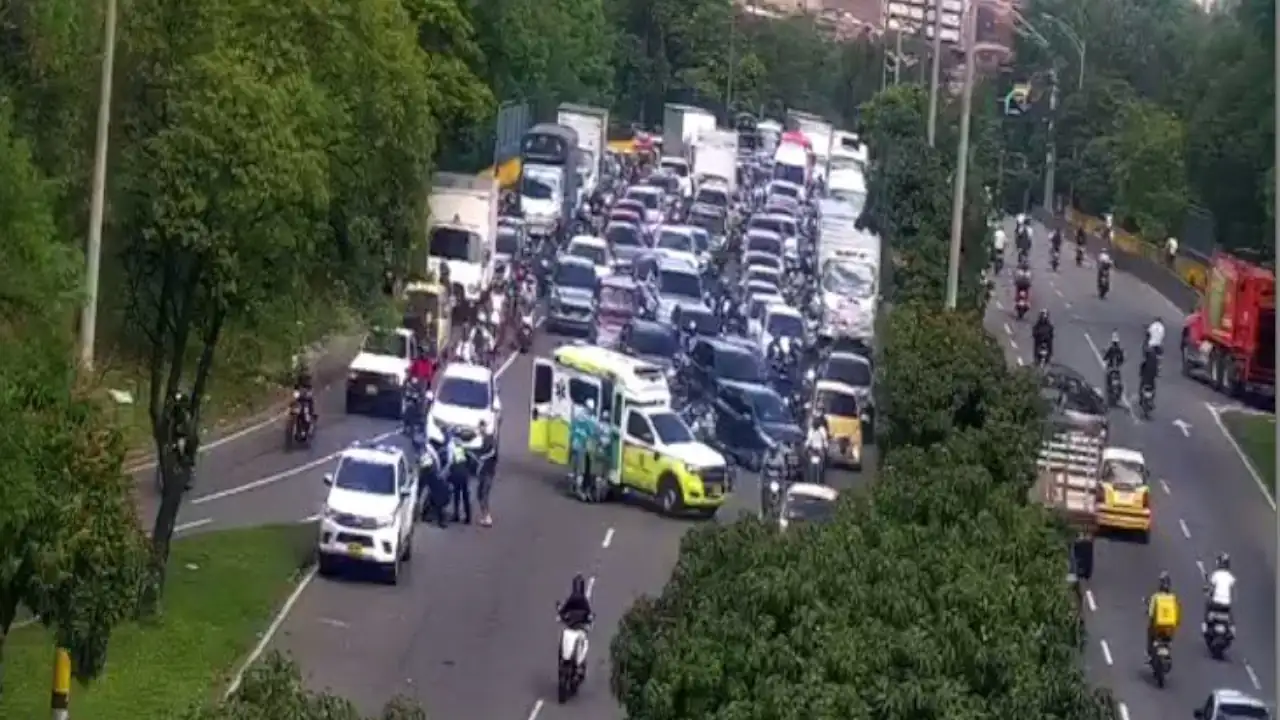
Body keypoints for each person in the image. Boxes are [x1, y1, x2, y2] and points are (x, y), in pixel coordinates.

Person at [558, 574, 594, 672]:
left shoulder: (572, 599)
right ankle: (578, 666)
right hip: (579, 629)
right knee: (583, 644)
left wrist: (561, 615)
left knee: (581, 645)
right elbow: (589, 615)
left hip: (573, 628)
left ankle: (577, 665)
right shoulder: (583, 601)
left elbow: (563, 610)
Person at [569, 398, 599, 498]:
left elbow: (572, 430)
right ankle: (579, 490)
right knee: (582, 470)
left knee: (575, 468)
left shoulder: (578, 416)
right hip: (582, 447)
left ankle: (574, 486)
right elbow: (594, 434)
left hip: (575, 445)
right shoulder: (591, 420)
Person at [1146, 571, 1180, 658]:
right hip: (1169, 629)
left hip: (1157, 628)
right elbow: (1177, 614)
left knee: (1149, 631)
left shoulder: (1156, 597)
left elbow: (1150, 613)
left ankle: (1149, 652)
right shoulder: (1173, 598)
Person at [473, 420, 498, 527]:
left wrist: (482, 458)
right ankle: (485, 516)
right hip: (483, 472)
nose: (480, 430)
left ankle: (487, 517)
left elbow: (493, 452)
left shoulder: (490, 438)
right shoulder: (482, 440)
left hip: (489, 472)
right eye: (479, 428)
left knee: (484, 494)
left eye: (481, 427)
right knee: (479, 494)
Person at [1204, 552, 1235, 624]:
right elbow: (1234, 591)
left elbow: (1211, 587)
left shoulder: (1216, 575)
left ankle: (1205, 625)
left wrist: (1208, 591)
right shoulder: (1230, 577)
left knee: (1207, 606)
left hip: (1216, 603)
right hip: (1226, 605)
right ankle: (1232, 627)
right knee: (1231, 616)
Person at [448, 435, 472, 524]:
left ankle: (456, 515)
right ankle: (468, 517)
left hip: (457, 473)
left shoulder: (451, 447)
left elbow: (450, 462)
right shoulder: (462, 447)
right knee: (465, 496)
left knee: (457, 495)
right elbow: (468, 460)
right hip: (464, 473)